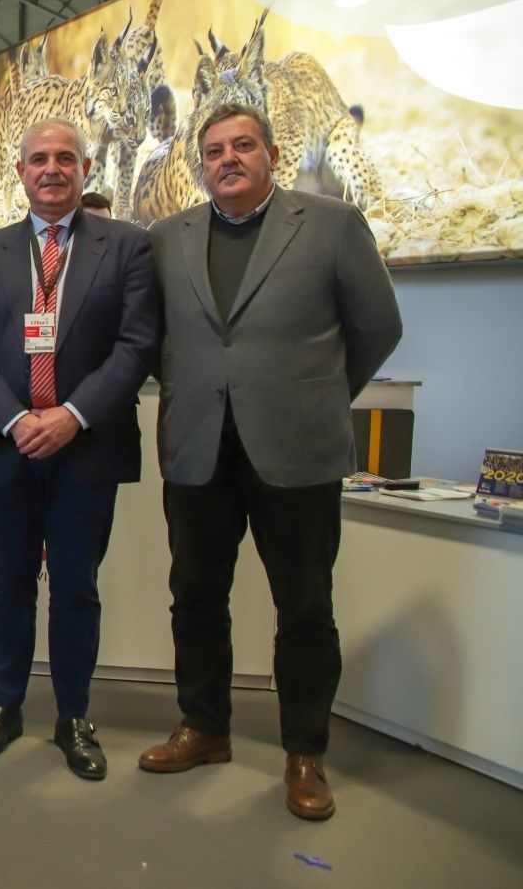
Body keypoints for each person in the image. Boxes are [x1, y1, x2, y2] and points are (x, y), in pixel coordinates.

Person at [139, 102, 401, 821]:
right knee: (195, 596)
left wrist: (315, 395)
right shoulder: (167, 237)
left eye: (243, 146)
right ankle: (204, 727)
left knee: (305, 607)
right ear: (201, 163)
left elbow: (379, 325)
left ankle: (305, 754)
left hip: (297, 450)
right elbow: (153, 335)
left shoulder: (331, 225)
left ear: (273, 154)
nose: (228, 159)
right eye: (215, 149)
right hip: (197, 447)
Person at [0, 119, 158, 781]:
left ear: (85, 168)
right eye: (38, 159)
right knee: (7, 587)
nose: (51, 169)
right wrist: (14, 419)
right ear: (20, 172)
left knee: (75, 589)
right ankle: (5, 706)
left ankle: (73, 718)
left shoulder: (127, 247)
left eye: (65, 158)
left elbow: (137, 345)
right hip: (9, 449)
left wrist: (70, 415)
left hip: (86, 448)